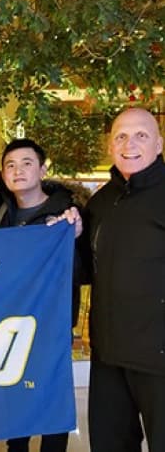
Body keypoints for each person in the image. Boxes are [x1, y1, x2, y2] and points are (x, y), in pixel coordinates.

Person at [81, 107, 165, 452]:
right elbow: (84, 270)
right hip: (109, 358)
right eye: (121, 136)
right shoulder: (100, 202)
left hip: (159, 359)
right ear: (110, 146)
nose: (130, 144)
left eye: (141, 135)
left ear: (159, 144)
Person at [0, 138, 82, 452]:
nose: (18, 171)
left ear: (43, 169)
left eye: (27, 163)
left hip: (52, 328)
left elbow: (82, 272)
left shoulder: (65, 215)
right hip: (12, 326)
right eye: (10, 165)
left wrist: (71, 236)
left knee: (50, 406)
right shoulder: (3, 217)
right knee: (16, 403)